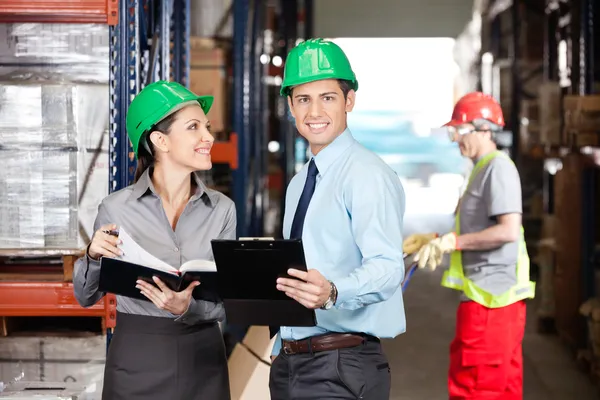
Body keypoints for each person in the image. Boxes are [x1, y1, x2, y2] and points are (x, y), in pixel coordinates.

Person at [73, 81, 236, 400]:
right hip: (137, 361)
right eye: (194, 128)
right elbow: (85, 296)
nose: (208, 137)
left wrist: (189, 307)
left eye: (206, 127)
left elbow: (229, 302)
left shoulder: (222, 210)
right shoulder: (116, 208)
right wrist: (92, 256)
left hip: (202, 361)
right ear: (160, 140)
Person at [269, 38, 406, 400]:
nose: (314, 111)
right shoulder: (301, 183)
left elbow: (389, 267)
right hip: (292, 362)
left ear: (349, 101)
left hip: (340, 364)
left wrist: (332, 291)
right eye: (303, 99)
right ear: (290, 106)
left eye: (327, 98)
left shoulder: (366, 175)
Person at [404, 92, 535, 399]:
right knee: (502, 387)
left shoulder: (497, 169)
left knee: (476, 386)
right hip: (489, 298)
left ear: (484, 129)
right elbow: (478, 225)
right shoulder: (480, 169)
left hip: (491, 300)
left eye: (460, 132)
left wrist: (454, 242)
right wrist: (436, 239)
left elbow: (508, 230)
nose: (455, 140)